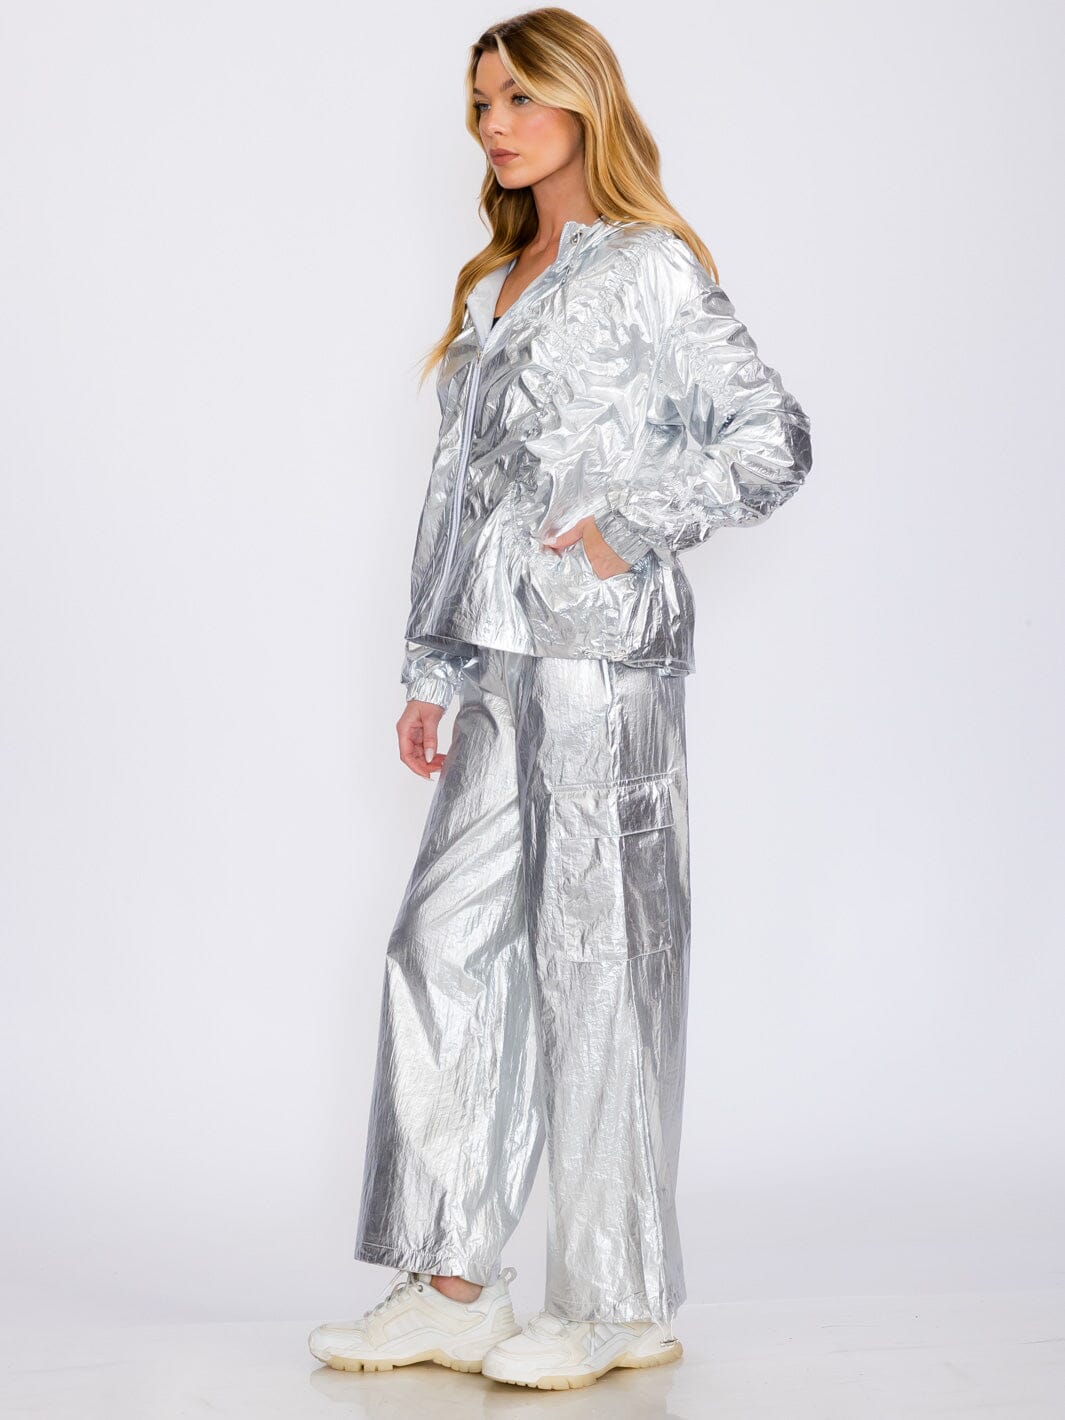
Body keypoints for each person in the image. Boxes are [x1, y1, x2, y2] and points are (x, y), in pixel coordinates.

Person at [309, 5, 812, 1391]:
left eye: (519, 97)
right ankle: (454, 1284)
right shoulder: (494, 284)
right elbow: (456, 495)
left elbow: (771, 440)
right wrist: (432, 662)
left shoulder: (648, 267)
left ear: (585, 102)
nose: (495, 125)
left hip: (603, 662)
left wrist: (626, 528)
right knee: (441, 946)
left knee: (602, 965)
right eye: (481, 103)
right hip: (494, 664)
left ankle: (616, 1300)